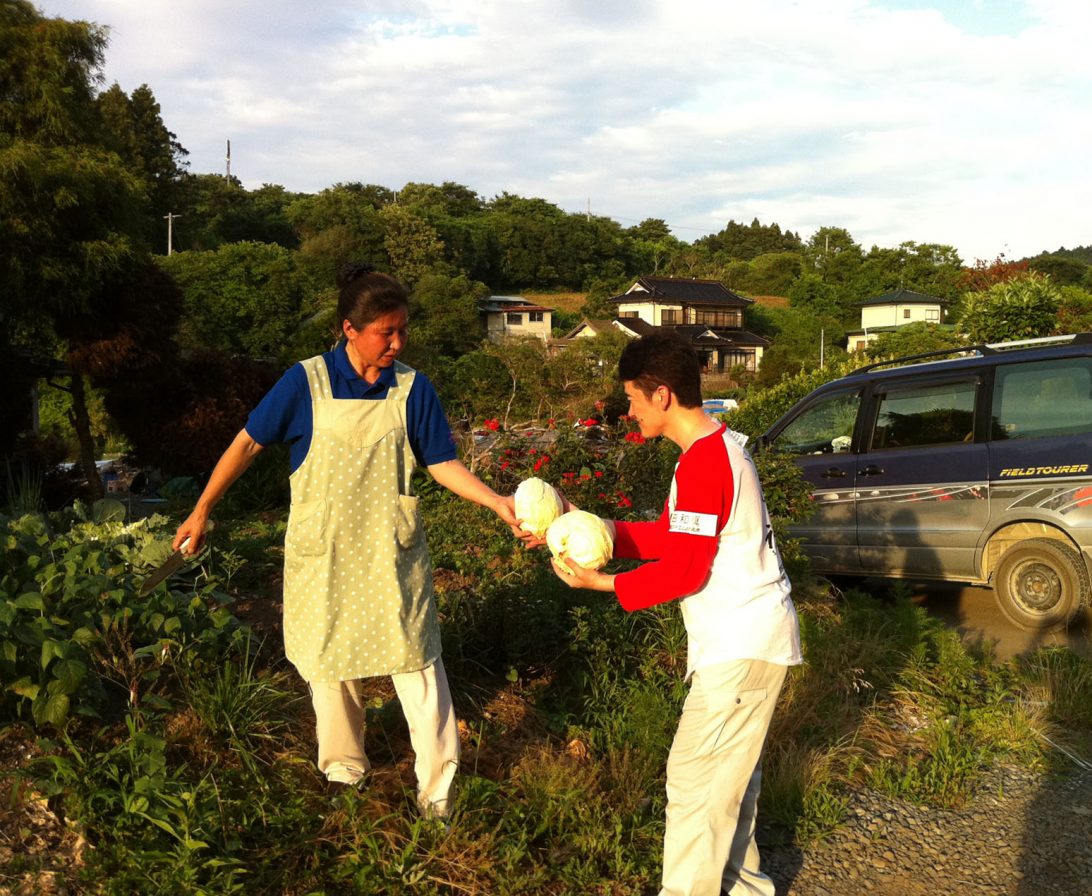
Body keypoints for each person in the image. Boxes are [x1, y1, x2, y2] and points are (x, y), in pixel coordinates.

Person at [173, 263, 522, 817]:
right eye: (387, 331)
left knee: (418, 663)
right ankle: (344, 772)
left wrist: (497, 501)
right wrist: (202, 508)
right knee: (330, 664)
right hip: (326, 551)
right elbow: (246, 444)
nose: (398, 342)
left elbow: (443, 463)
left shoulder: (412, 388)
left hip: (391, 551)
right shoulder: (304, 382)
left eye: (404, 330)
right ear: (349, 329)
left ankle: (439, 793)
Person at [552, 331, 802, 896]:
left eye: (633, 399)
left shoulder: (704, 464)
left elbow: (686, 570)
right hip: (752, 640)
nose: (630, 411)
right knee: (727, 786)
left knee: (696, 783)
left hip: (740, 646)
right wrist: (597, 528)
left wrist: (602, 583)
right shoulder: (714, 450)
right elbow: (674, 536)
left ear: (661, 395)